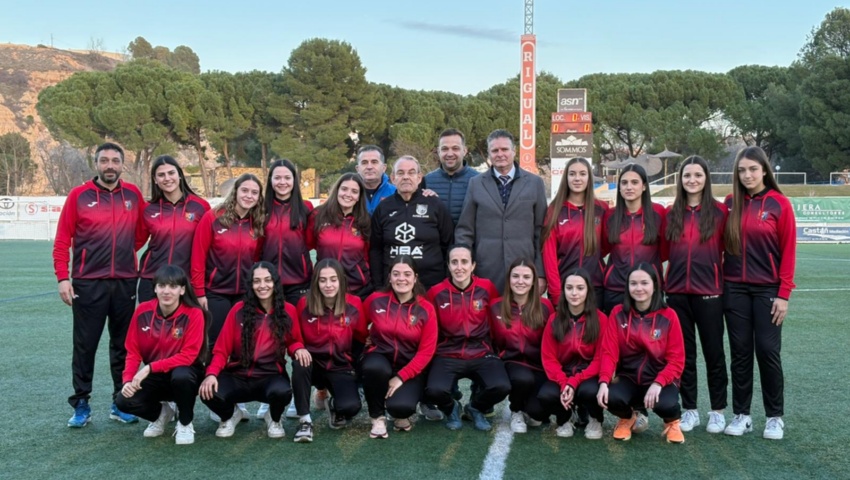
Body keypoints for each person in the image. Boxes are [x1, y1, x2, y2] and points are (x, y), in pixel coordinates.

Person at [53, 142, 145, 427]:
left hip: (125, 283)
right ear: (96, 164)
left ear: (122, 165)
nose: (110, 166)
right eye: (104, 160)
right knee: (85, 345)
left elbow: (141, 234)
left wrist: (124, 257)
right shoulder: (79, 196)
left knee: (123, 345)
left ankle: (121, 402)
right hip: (87, 284)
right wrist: (63, 278)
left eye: (115, 161)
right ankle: (81, 402)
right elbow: (62, 240)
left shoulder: (133, 195)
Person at [722, 146, 796, 440]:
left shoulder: (779, 204)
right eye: (742, 170)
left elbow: (789, 251)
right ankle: (741, 415)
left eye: (753, 169)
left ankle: (774, 417)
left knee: (767, 352)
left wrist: (784, 294)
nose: (747, 175)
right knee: (740, 353)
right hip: (734, 289)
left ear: (764, 170)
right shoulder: (730, 203)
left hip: (768, 290)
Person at [199, 262, 308, 439]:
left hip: (270, 376)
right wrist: (211, 374)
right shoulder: (238, 310)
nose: (262, 285)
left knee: (283, 392)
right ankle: (230, 415)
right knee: (207, 390)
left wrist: (299, 348)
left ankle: (273, 418)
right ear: (251, 285)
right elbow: (221, 350)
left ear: (275, 283)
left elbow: (293, 341)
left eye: (267, 280)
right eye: (257, 281)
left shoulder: (288, 310)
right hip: (238, 376)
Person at [663, 156, 729, 434]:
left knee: (714, 354)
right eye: (687, 175)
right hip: (677, 295)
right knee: (684, 356)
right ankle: (689, 410)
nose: (692, 180)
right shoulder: (671, 213)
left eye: (697, 175)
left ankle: (717, 411)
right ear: (680, 180)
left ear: (706, 178)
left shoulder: (719, 213)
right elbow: (664, 252)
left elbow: (728, 250)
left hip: (710, 295)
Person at [116, 265, 208, 444]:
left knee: (181, 375)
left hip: (187, 374)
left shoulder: (194, 313)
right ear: (155, 288)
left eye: (173, 286)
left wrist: (149, 368)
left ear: (182, 290)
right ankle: (161, 414)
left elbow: (188, 356)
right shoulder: (142, 311)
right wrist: (128, 380)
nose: (167, 291)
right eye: (162, 285)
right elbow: (133, 351)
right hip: (156, 376)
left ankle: (185, 422)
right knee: (123, 400)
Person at [424, 244, 510, 431]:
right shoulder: (436, 292)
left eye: (464, 262)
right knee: (434, 390)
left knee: (502, 386)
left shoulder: (486, 287)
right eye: (454, 262)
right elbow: (430, 327)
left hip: (481, 351)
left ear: (473, 266)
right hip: (448, 353)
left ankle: (475, 407)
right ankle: (452, 407)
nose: (459, 267)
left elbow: (495, 320)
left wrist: (495, 350)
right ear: (448, 266)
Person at [597, 264, 685, 444]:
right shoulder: (618, 313)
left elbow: (677, 359)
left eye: (644, 283)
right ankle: (628, 418)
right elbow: (608, 352)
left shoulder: (669, 316)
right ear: (627, 287)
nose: (639, 288)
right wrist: (604, 381)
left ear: (654, 285)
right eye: (633, 283)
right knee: (610, 397)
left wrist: (659, 382)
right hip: (628, 377)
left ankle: (672, 421)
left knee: (666, 405)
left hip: (659, 379)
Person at [455, 129, 547, 293]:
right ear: (489, 154)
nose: (500, 154)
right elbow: (465, 229)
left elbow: (541, 232)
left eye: (504, 149)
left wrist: (540, 273)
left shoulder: (535, 183)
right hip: (486, 270)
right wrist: (465, 268)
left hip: (524, 271)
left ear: (514, 151)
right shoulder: (476, 184)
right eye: (495, 150)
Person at [291, 259, 367, 442]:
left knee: (351, 408)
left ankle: (333, 403)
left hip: (340, 366)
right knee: (299, 362)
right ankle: (304, 420)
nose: (328, 285)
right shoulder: (304, 304)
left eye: (333, 279)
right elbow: (294, 338)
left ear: (341, 280)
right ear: (316, 282)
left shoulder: (354, 304)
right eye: (323, 280)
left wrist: (354, 366)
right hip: (313, 364)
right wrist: (298, 347)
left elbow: (361, 337)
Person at [362, 256, 437, 438]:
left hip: (409, 369)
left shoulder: (426, 309)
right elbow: (358, 327)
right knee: (373, 367)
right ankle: (377, 417)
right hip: (380, 360)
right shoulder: (375, 300)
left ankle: (396, 407)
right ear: (389, 277)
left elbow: (426, 352)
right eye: (396, 274)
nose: (401, 279)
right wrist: (365, 338)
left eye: (407, 274)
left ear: (415, 277)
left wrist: (401, 377)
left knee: (401, 409)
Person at [191, 173, 264, 344]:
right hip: (216, 293)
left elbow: (256, 257)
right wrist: (200, 293)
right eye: (244, 190)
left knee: (241, 342)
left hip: (244, 294)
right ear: (235, 192)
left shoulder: (257, 222)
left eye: (254, 192)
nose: (249, 196)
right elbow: (198, 256)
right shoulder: (213, 217)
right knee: (215, 343)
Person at [538, 268, 610, 439]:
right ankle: (566, 418)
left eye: (580, 288)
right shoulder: (555, 319)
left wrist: (574, 381)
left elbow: (600, 358)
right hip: (562, 374)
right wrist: (564, 383)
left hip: (588, 375)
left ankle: (595, 418)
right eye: (569, 288)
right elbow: (549, 358)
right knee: (545, 395)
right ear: (563, 291)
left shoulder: (600, 319)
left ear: (588, 291)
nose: (574, 293)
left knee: (589, 391)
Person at [489, 259, 554, 434]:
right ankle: (516, 410)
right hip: (511, 363)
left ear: (533, 281)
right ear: (509, 279)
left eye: (526, 277)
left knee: (538, 414)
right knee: (523, 379)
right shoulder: (496, 306)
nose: (520, 281)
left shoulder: (546, 307)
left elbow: (553, 342)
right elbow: (490, 339)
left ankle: (528, 405)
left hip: (539, 367)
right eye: (515, 276)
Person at [370, 155, 454, 290]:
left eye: (411, 172)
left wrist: (446, 281)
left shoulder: (435, 204)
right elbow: (375, 250)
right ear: (393, 178)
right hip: (393, 286)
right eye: (400, 173)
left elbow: (449, 244)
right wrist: (378, 285)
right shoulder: (383, 208)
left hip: (432, 285)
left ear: (419, 177)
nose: (406, 177)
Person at [136, 155, 210, 302]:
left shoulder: (200, 207)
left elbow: (208, 245)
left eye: (171, 173)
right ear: (155, 180)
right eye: (161, 175)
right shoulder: (148, 209)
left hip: (185, 280)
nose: (167, 178)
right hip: (153, 279)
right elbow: (134, 242)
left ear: (179, 175)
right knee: (150, 324)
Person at [542, 157, 608, 307]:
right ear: (566, 178)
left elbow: (606, 245)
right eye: (572, 174)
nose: (577, 178)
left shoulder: (601, 209)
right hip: (566, 288)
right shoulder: (554, 211)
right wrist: (556, 292)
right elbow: (549, 255)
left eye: (582, 174)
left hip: (595, 286)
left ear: (589, 178)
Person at [601, 163, 666, 313]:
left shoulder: (658, 213)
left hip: (648, 288)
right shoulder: (610, 215)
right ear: (619, 187)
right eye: (624, 183)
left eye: (634, 182)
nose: (629, 187)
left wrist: (651, 270)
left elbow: (665, 250)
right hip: (615, 288)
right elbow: (604, 247)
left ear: (644, 186)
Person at [308, 173, 372, 299]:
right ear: (337, 190)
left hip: (357, 288)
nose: (348, 194)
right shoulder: (318, 215)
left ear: (359, 197)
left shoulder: (365, 220)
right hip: (325, 287)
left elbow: (368, 253)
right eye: (344, 189)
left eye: (354, 191)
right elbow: (307, 245)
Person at [262, 159, 314, 305]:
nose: (282, 182)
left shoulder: (306, 208)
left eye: (287, 178)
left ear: (294, 180)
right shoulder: (261, 209)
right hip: (267, 281)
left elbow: (310, 241)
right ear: (270, 180)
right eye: (277, 178)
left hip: (299, 281)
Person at [422, 128, 479, 226]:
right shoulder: (426, 181)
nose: (449, 153)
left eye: (455, 148)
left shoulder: (479, 180)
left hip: (469, 241)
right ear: (438, 151)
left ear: (464, 151)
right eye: (444, 149)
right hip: (437, 240)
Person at [355, 144, 396, 214]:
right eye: (364, 163)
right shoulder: (348, 194)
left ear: (384, 168)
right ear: (357, 169)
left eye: (374, 162)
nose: (369, 167)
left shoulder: (396, 193)